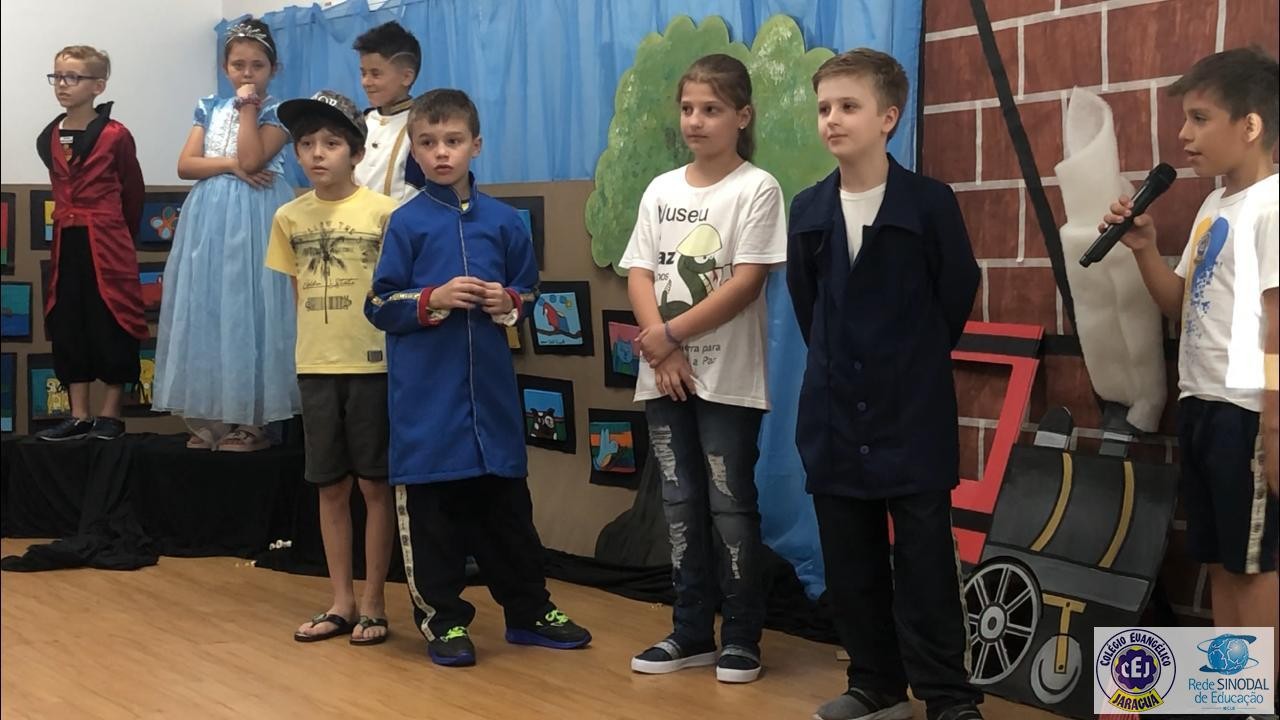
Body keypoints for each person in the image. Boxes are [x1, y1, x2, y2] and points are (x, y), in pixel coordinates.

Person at [786, 49, 982, 720]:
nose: (833, 120)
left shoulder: (929, 204)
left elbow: (955, 293)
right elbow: (810, 307)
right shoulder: (808, 210)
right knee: (851, 562)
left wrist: (907, 361)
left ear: (888, 117)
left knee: (926, 565)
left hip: (912, 416)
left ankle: (948, 696)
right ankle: (874, 684)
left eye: (849, 106)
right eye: (824, 108)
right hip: (834, 417)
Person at [364, 88, 590, 667]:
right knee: (434, 518)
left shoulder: (505, 223)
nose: (441, 153)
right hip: (426, 408)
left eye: (453, 141)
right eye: (428, 142)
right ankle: (442, 621)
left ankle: (529, 611)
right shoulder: (405, 223)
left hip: (491, 404)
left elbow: (529, 291)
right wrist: (432, 299)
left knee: (508, 513)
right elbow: (379, 303)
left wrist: (507, 301)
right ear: (414, 150)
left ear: (476, 145)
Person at [1101, 46, 1279, 683]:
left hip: (1248, 413)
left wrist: (1274, 427)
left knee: (1254, 566)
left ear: (1251, 125)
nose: (1183, 135)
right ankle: (1234, 694)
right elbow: (1182, 304)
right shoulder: (1213, 206)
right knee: (1222, 561)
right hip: (1202, 403)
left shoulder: (1273, 206)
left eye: (1200, 118)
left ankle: (1259, 698)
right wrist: (1145, 250)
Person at [619, 53, 785, 685]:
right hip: (664, 375)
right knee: (679, 504)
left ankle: (741, 636)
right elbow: (640, 272)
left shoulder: (756, 187)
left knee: (730, 506)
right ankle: (690, 632)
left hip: (727, 379)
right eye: (688, 108)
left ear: (742, 116)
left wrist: (670, 336)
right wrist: (662, 350)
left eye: (711, 109)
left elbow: (746, 282)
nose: (695, 120)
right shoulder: (661, 189)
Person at [266, 90, 398, 645]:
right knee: (329, 486)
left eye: (331, 143)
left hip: (375, 366)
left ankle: (374, 601)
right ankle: (341, 599)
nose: (317, 154)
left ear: (357, 153)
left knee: (375, 485)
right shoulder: (288, 217)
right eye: (306, 144)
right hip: (316, 366)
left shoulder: (386, 213)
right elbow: (298, 292)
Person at [151, 18, 301, 451]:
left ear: (274, 69)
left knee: (252, 307)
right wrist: (231, 165)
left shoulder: (278, 113)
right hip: (210, 220)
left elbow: (254, 159)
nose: (247, 73)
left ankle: (254, 420)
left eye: (257, 65)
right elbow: (186, 165)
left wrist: (248, 106)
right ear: (225, 67)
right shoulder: (209, 107)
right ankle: (216, 414)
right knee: (213, 306)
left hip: (256, 218)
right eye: (238, 65)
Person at [34, 45, 145, 442]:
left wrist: (119, 232)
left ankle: (110, 414)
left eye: (73, 77)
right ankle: (78, 413)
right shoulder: (49, 136)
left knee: (112, 317)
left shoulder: (116, 136)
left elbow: (133, 191)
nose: (62, 85)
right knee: (68, 319)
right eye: (57, 76)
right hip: (67, 241)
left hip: (107, 241)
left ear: (98, 86)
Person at [352, 21, 425, 201]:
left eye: (375, 74)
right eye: (363, 73)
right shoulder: (360, 122)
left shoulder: (422, 124)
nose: (366, 82)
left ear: (406, 77)